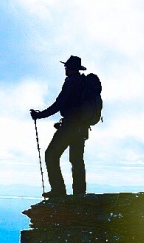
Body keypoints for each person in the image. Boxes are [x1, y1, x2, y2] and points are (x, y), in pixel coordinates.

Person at [30, 55, 96, 198]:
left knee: (51, 155)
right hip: (82, 128)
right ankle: (79, 194)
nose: (65, 69)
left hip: (70, 126)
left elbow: (59, 104)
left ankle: (58, 190)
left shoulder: (71, 82)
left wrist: (39, 115)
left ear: (70, 68)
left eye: (66, 67)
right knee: (76, 160)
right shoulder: (83, 82)